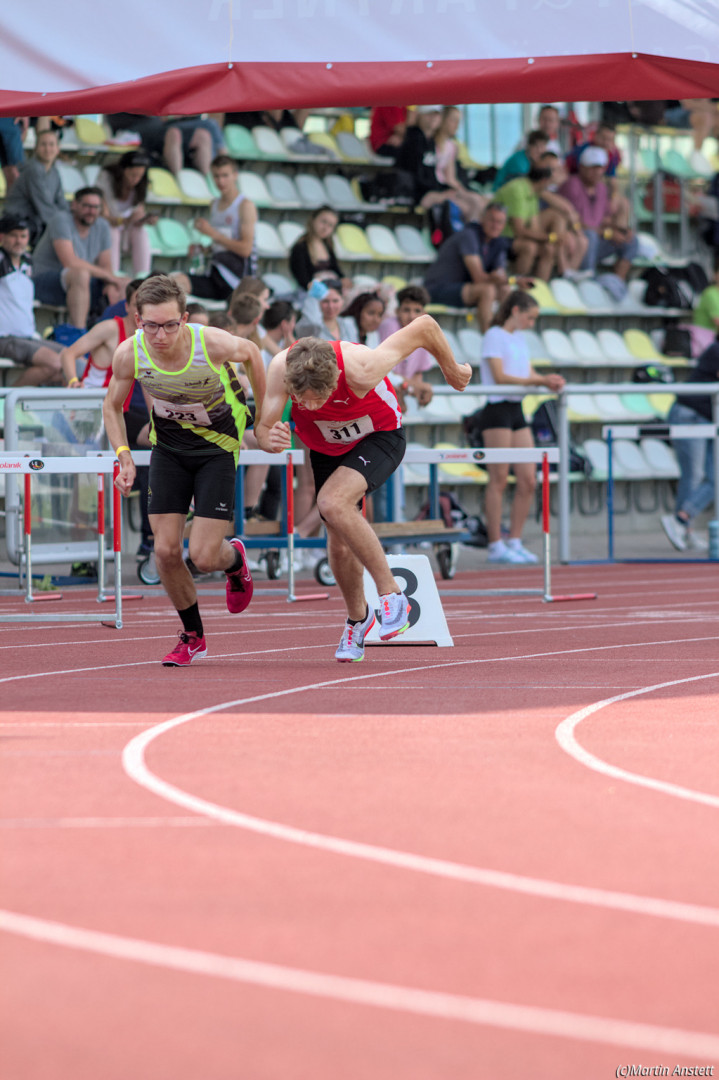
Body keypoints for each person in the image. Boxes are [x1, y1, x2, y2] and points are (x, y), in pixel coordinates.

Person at [255, 318, 472, 661]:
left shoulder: (361, 366)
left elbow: (425, 327)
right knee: (338, 546)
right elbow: (263, 429)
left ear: (335, 382)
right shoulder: (281, 367)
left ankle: (391, 594)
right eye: (303, 401)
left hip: (379, 435)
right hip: (328, 447)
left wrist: (453, 370)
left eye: (319, 399)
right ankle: (358, 619)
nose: (310, 408)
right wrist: (272, 440)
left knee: (331, 502)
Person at [104, 274, 266, 666]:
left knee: (205, 556)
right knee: (165, 550)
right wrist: (123, 453)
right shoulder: (130, 353)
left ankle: (235, 561)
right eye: (151, 325)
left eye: (170, 324)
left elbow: (254, 355)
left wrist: (263, 420)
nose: (161, 335)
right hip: (169, 450)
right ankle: (192, 635)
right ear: (137, 320)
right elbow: (112, 406)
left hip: (218, 449)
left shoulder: (209, 342)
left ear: (185, 318)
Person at [478, 290, 565, 564]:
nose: (531, 323)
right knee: (499, 478)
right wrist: (538, 383)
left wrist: (544, 379)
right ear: (515, 310)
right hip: (497, 409)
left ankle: (514, 538)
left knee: (528, 478)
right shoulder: (494, 335)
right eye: (529, 317)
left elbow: (525, 374)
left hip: (516, 408)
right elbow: (500, 377)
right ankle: (495, 543)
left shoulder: (518, 338)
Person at [31, 186, 128, 330]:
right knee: (80, 275)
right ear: (74, 205)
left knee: (127, 284)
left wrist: (110, 282)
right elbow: (70, 262)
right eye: (87, 206)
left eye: (96, 207)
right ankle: (78, 334)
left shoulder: (102, 225)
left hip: (81, 283)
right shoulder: (61, 220)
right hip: (45, 281)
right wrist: (110, 277)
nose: (92, 211)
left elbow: (106, 264)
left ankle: (114, 335)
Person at [173, 155, 257, 303]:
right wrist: (203, 249)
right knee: (174, 282)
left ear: (235, 175)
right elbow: (220, 244)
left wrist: (212, 234)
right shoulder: (215, 204)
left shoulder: (245, 206)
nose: (221, 181)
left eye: (225, 175)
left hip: (236, 280)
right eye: (217, 176)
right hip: (216, 273)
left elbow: (246, 249)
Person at [660, 340, 719, 552]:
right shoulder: (716, 349)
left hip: (710, 418)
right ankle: (682, 523)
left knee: (715, 477)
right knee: (693, 474)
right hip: (690, 415)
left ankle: (682, 523)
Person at [423, 202, 514, 332]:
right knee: (487, 290)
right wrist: (504, 279)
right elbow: (479, 278)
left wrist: (507, 280)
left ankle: (501, 335)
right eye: (492, 220)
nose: (495, 226)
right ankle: (489, 340)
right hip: (437, 288)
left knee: (505, 289)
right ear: (482, 218)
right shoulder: (469, 235)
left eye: (500, 222)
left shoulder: (497, 243)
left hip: (462, 289)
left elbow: (501, 276)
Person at [0, 212, 63, 386]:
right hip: (5, 338)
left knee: (74, 359)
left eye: (23, 236)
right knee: (54, 362)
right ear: (2, 236)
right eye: (13, 235)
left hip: (28, 336)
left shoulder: (28, 261)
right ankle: (7, 406)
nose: (19, 241)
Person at [559, 146, 638, 283]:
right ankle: (587, 280)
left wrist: (621, 230)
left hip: (598, 237)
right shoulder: (572, 185)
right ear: (582, 167)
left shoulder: (601, 188)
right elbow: (576, 224)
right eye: (592, 168)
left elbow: (603, 219)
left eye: (600, 168)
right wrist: (607, 233)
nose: (597, 172)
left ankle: (618, 282)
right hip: (576, 240)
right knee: (590, 236)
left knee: (631, 240)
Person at [395, 105, 484, 223]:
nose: (433, 118)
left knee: (475, 202)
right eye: (429, 114)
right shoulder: (413, 139)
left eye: (436, 115)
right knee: (466, 207)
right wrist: (442, 191)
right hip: (419, 194)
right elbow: (416, 176)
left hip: (431, 190)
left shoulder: (431, 142)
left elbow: (437, 175)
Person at [495, 166, 565, 282]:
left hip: (515, 236)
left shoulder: (532, 191)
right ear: (544, 181)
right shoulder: (517, 190)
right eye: (549, 183)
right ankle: (519, 285)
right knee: (529, 247)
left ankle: (540, 290)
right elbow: (519, 230)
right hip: (501, 237)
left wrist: (549, 241)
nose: (549, 187)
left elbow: (534, 227)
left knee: (549, 249)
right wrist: (550, 237)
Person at [97, 150, 157, 275]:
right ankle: (113, 275)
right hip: (106, 227)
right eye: (133, 175)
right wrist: (125, 220)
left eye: (140, 176)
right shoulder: (106, 178)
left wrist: (143, 219)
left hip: (126, 230)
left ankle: (143, 277)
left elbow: (138, 212)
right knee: (112, 232)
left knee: (140, 231)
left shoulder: (140, 186)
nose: (136, 179)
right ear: (123, 171)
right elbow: (103, 216)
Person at [3, 128, 66, 243]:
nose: (47, 149)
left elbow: (61, 202)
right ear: (35, 148)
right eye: (43, 144)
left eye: (51, 144)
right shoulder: (33, 169)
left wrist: (70, 219)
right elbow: (44, 207)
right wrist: (66, 224)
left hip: (35, 221)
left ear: (58, 148)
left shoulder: (54, 171)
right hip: (17, 222)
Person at [289, 206, 345, 291]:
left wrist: (344, 280)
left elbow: (336, 269)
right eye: (323, 222)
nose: (325, 228)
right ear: (313, 220)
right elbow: (303, 279)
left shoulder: (328, 245)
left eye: (330, 225)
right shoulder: (300, 247)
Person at [0, 117, 27, 191]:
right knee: (10, 171)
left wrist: (25, 113)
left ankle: (15, 201)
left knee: (15, 171)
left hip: (9, 118)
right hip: (8, 119)